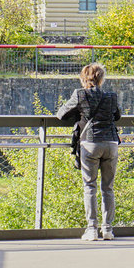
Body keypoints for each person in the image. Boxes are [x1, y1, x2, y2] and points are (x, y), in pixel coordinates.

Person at [56, 62, 122, 241]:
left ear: (83, 78)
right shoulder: (111, 96)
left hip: (90, 144)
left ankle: (92, 229)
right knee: (108, 188)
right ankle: (107, 229)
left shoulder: (80, 94)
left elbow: (61, 114)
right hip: (111, 144)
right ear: (101, 78)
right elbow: (117, 116)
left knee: (90, 187)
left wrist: (80, 114)